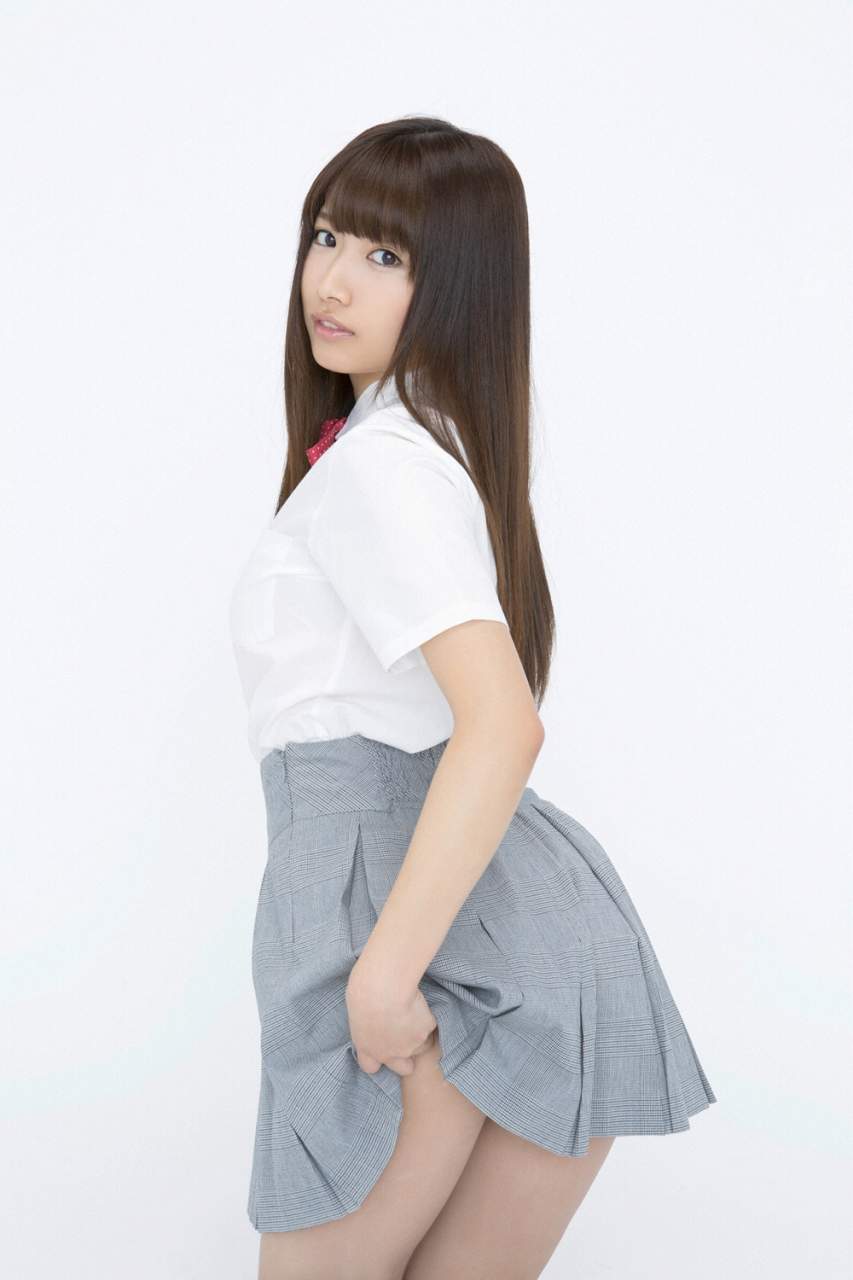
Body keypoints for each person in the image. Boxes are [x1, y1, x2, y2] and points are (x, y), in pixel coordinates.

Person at [229, 115, 717, 1280]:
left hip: (421, 939)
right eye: (327, 235)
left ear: (460, 285)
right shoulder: (415, 449)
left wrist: (384, 973)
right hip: (507, 927)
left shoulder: (383, 468)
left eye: (384, 256)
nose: (332, 281)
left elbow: (502, 724)